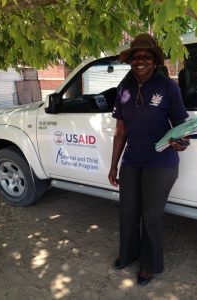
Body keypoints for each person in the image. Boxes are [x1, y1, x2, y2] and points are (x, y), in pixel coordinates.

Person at [108, 33, 190, 286]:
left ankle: (149, 264)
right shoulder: (124, 89)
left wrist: (181, 143)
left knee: (151, 215)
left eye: (146, 56)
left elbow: (182, 127)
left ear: (155, 61)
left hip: (161, 162)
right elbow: (121, 131)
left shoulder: (168, 87)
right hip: (133, 159)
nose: (140, 60)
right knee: (128, 212)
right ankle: (129, 253)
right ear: (131, 61)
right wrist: (113, 165)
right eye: (136, 56)